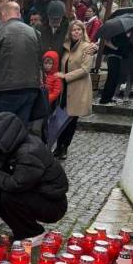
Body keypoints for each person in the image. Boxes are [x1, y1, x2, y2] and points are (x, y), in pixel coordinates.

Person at [0, 112, 68, 243]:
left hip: (52, 204)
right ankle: (21, 232)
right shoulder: (16, 144)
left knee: (8, 196)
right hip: (37, 193)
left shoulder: (28, 152)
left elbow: (16, 184)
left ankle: (34, 233)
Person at [0, 1, 42, 125]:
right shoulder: (34, 32)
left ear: (4, 13)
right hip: (31, 87)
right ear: (19, 14)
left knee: (0, 127)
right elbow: (39, 59)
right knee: (20, 129)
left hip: (6, 87)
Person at [54, 20, 93, 160]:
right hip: (65, 90)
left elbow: (85, 69)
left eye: (79, 30)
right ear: (69, 32)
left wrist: (65, 77)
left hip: (78, 89)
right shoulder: (66, 46)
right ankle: (58, 146)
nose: (76, 32)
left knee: (71, 120)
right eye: (73, 30)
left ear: (83, 32)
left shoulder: (87, 47)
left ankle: (64, 147)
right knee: (61, 118)